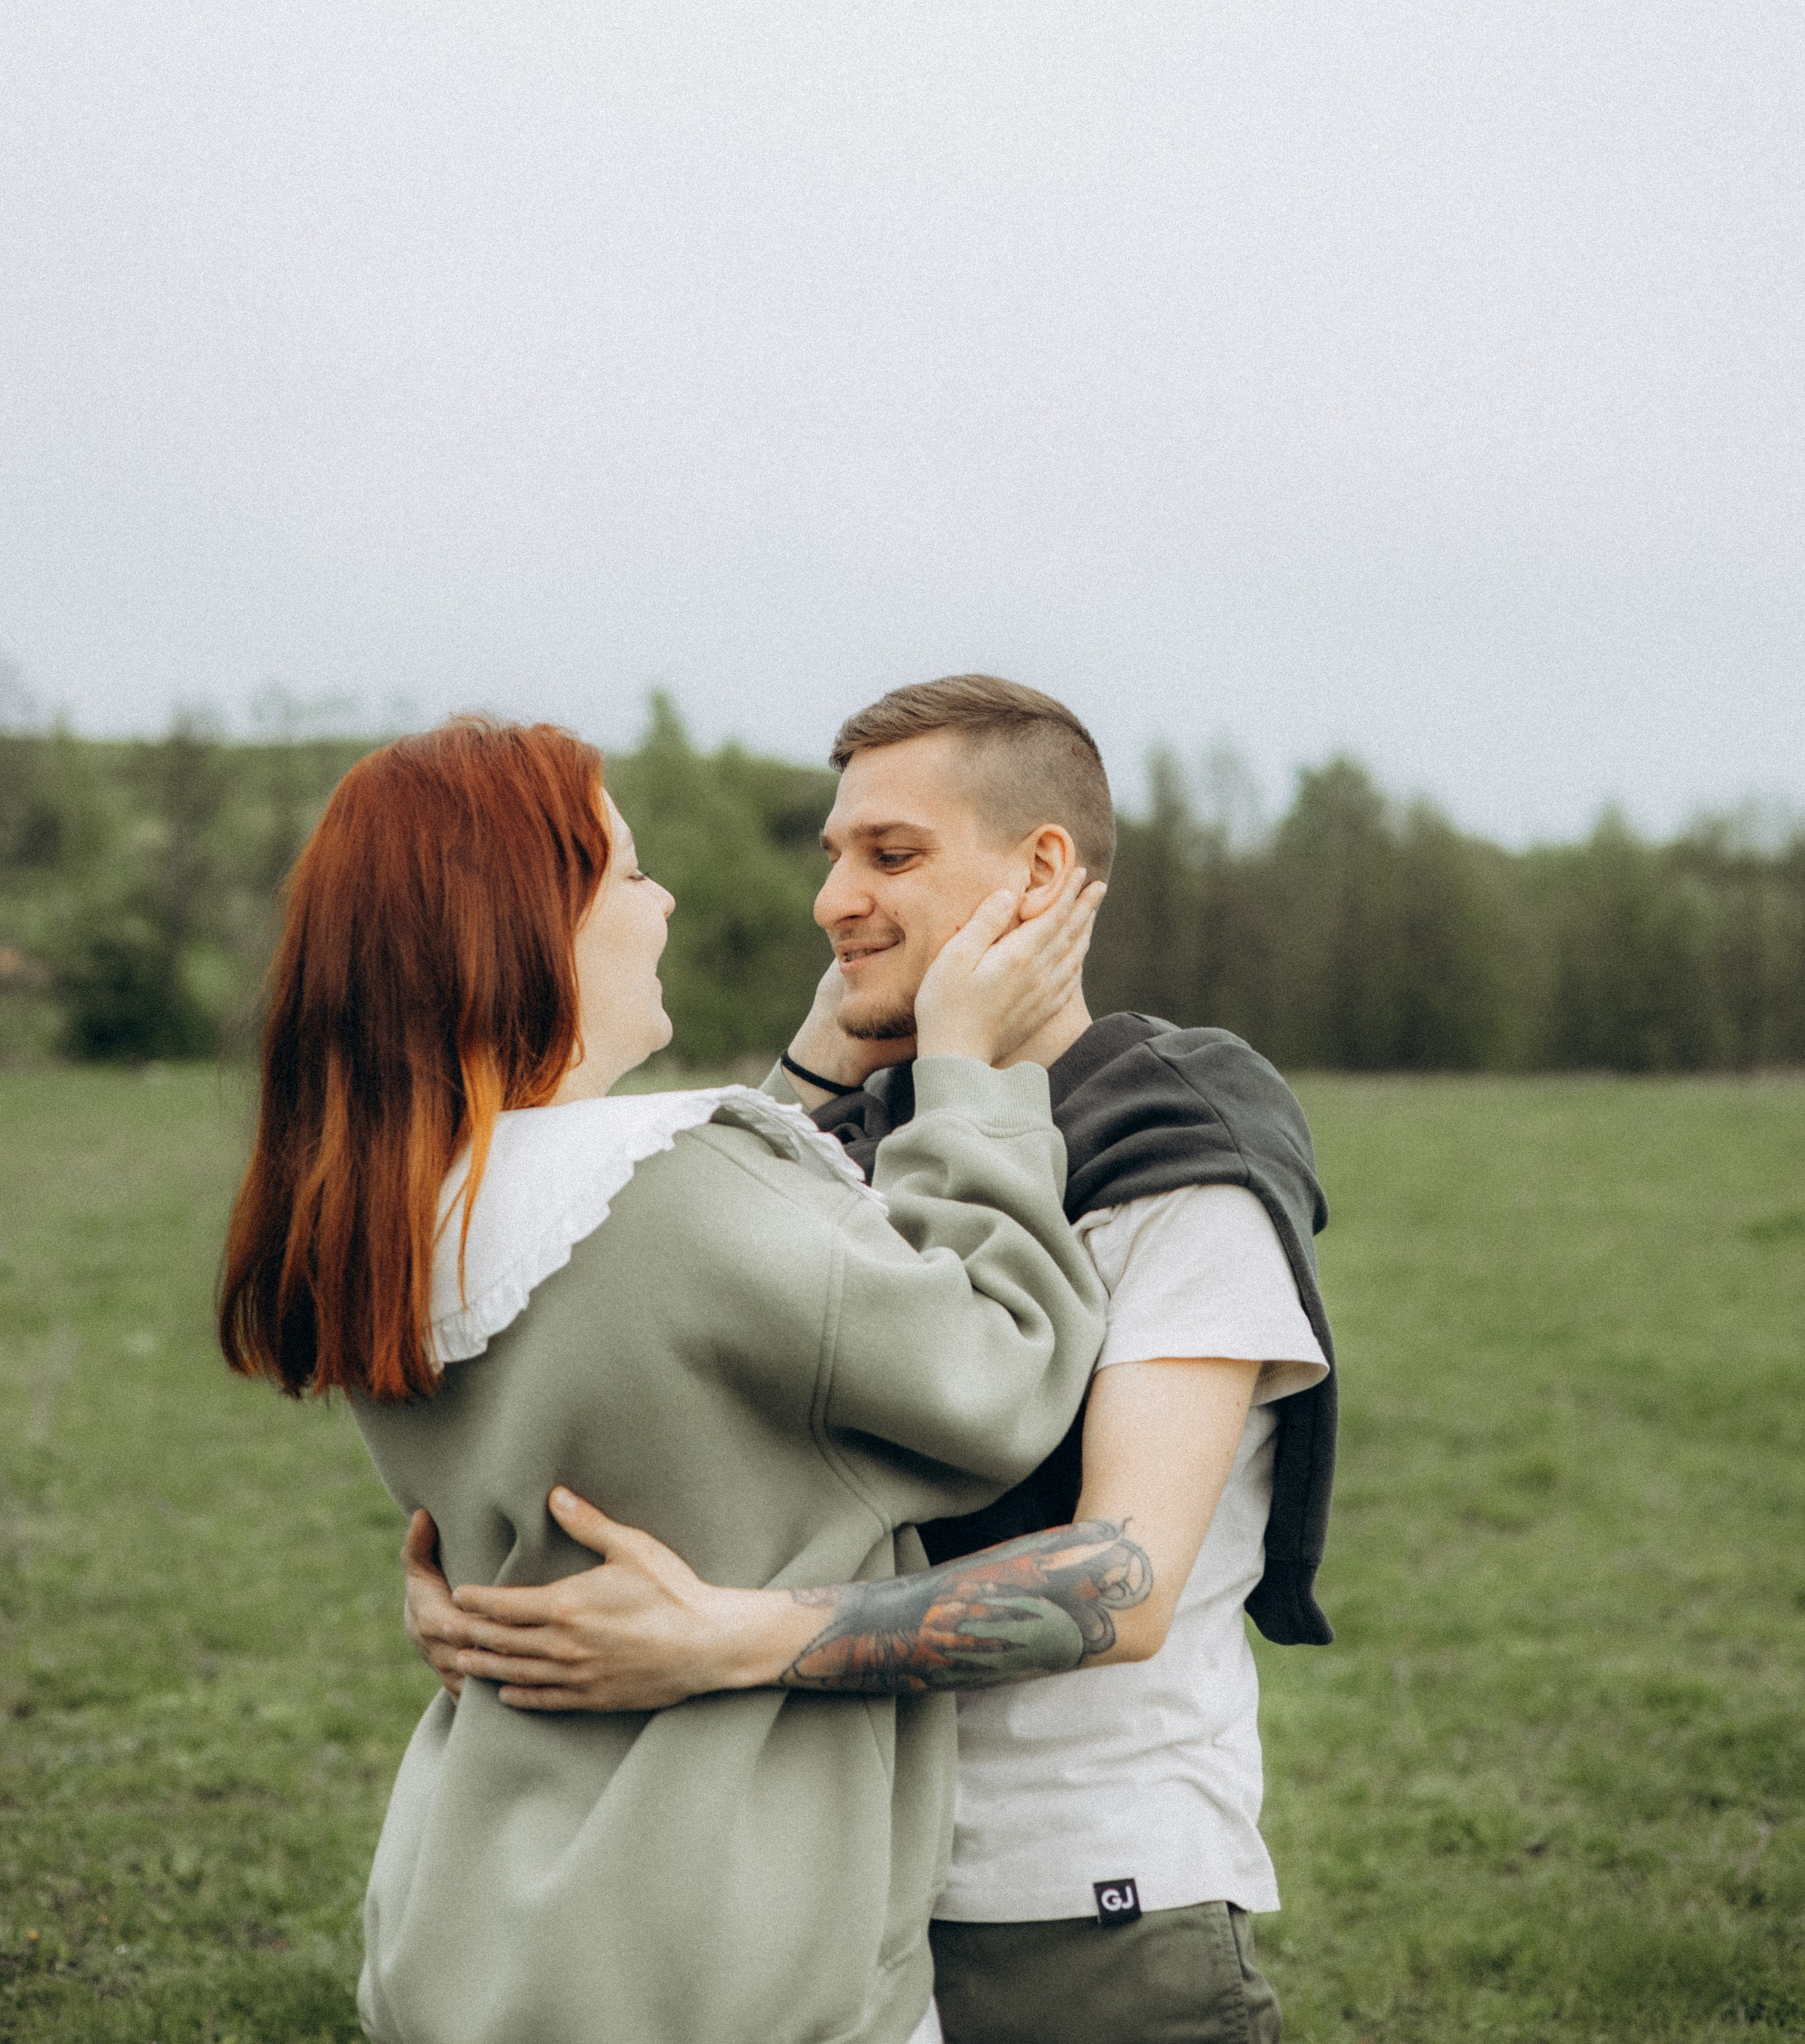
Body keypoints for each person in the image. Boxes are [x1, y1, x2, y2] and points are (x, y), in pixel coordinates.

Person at [405, 678, 1338, 2044]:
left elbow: (1117, 1584)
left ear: (1038, 876)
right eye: (832, 856)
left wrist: (719, 1645)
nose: (833, 898)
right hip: (824, 1917)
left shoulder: (1175, 1142)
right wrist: (489, 1601)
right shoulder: (867, 1132)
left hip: (1078, 1913)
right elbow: (668, 1370)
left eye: (890, 857)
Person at [217, 713, 1109, 2044]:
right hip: (723, 1956)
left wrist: (808, 1075)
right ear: (532, 924)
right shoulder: (679, 1205)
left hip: (474, 1927)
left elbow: (709, 1303)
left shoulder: (398, 1213)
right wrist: (969, 1080)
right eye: (629, 871)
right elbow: (1000, 1376)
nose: (665, 898)